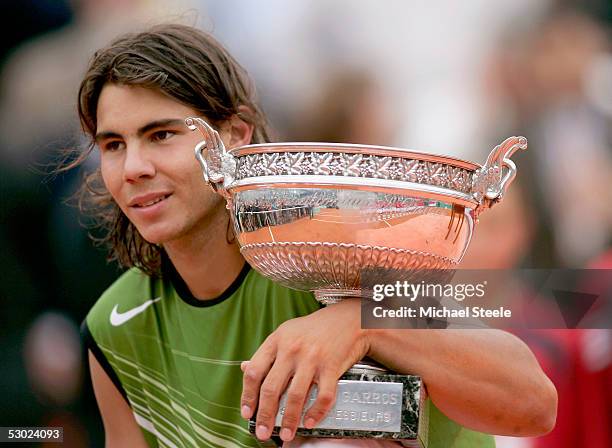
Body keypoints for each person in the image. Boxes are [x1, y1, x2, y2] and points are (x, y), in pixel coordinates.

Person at [71, 24, 557, 447]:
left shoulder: (337, 254)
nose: (133, 168)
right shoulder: (115, 326)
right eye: (114, 145)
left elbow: (533, 402)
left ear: (236, 137)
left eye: (161, 135)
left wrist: (362, 322)